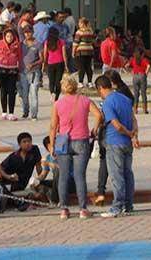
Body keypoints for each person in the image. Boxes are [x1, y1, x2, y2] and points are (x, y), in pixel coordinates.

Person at [48, 76, 102, 220]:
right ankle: (83, 209)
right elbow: (98, 115)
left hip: (63, 141)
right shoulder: (85, 100)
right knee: (80, 176)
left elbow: (53, 126)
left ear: (63, 88)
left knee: (63, 176)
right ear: (75, 86)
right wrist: (94, 130)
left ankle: (64, 209)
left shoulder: (58, 104)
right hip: (81, 140)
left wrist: (52, 144)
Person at [97, 74, 139, 218]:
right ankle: (128, 205)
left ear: (101, 88)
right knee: (128, 174)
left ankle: (117, 206)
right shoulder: (125, 99)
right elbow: (134, 120)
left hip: (115, 142)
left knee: (117, 175)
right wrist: (134, 135)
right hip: (127, 144)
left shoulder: (108, 103)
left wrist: (127, 133)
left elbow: (117, 125)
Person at [0, 132, 43, 199]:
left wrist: (40, 180)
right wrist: (8, 177)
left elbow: (38, 166)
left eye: (29, 141)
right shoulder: (13, 157)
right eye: (24, 142)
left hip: (22, 184)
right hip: (9, 183)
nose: (27, 143)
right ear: (19, 144)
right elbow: (0, 168)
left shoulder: (34, 150)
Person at [0, 29, 21, 121]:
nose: (9, 38)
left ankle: (11, 113)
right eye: (8, 36)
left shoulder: (17, 45)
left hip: (12, 71)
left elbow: (19, 58)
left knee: (12, 92)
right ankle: (4, 112)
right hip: (1, 70)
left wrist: (19, 71)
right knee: (3, 91)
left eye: (11, 36)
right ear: (4, 36)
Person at [19, 27, 42, 120]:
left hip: (34, 72)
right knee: (24, 94)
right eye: (25, 32)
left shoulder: (38, 44)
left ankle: (34, 114)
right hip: (23, 72)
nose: (27, 34)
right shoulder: (21, 44)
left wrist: (33, 64)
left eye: (29, 32)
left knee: (33, 93)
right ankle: (25, 111)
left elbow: (42, 59)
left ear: (32, 32)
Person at [43, 27, 68, 102]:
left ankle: (52, 93)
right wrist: (66, 65)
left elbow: (45, 54)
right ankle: (56, 97)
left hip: (50, 63)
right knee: (58, 81)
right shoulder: (61, 42)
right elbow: (64, 54)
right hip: (60, 63)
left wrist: (44, 63)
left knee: (51, 80)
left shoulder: (47, 42)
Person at [73, 17, 96, 87]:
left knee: (81, 67)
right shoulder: (90, 31)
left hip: (81, 51)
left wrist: (73, 52)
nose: (78, 24)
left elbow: (76, 43)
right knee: (88, 67)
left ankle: (80, 82)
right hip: (89, 51)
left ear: (82, 23)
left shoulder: (79, 32)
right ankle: (90, 82)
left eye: (79, 23)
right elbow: (93, 41)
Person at [129, 48, 150, 114]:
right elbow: (148, 66)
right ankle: (145, 109)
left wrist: (131, 72)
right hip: (142, 75)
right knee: (143, 93)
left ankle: (135, 109)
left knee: (136, 94)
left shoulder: (133, 60)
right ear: (142, 54)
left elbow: (127, 66)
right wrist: (146, 74)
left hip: (135, 76)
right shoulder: (144, 60)